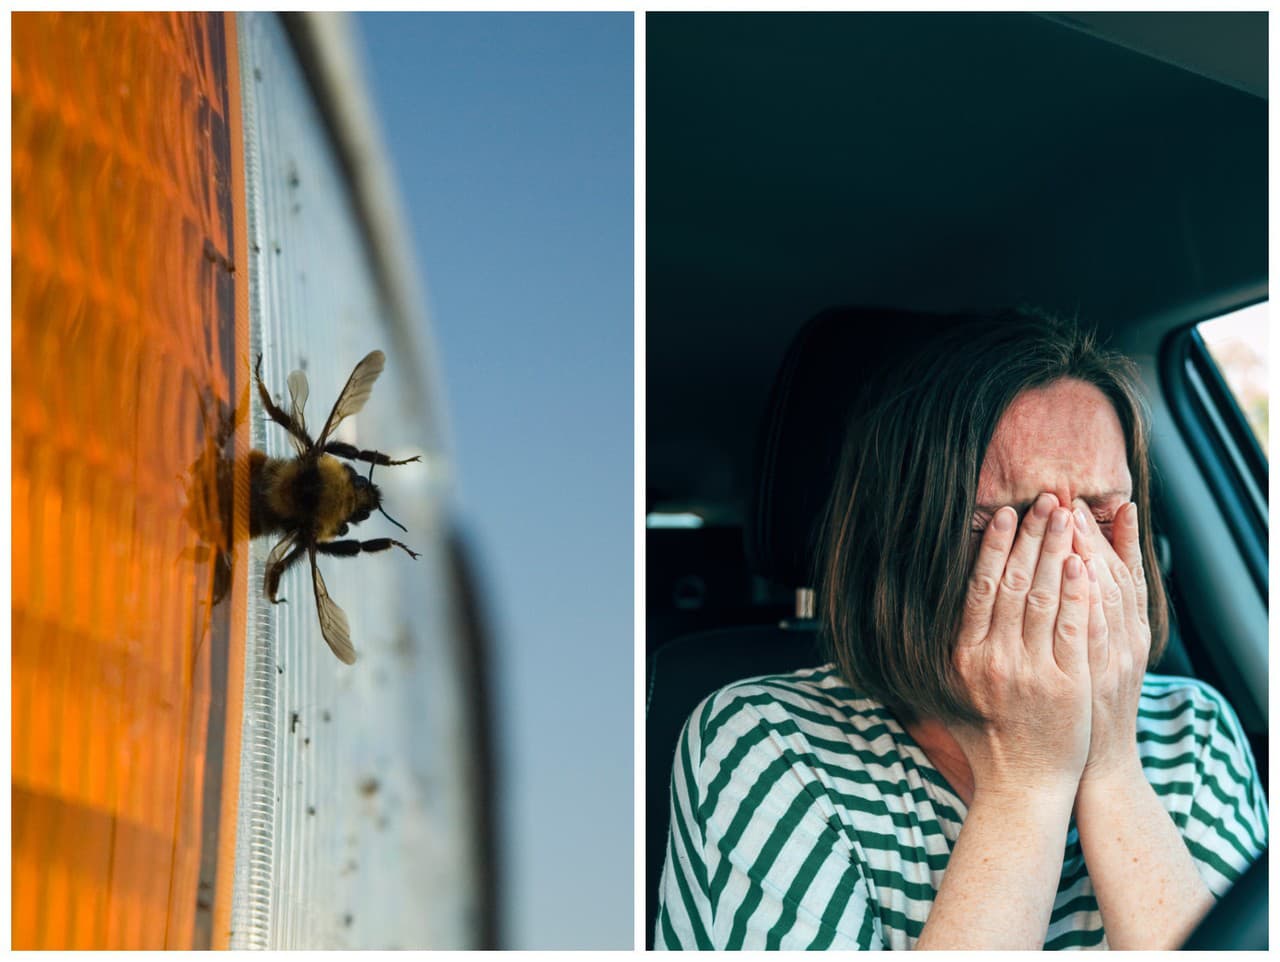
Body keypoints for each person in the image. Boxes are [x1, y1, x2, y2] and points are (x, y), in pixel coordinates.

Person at [654, 313, 1267, 950]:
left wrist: (1110, 765)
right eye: (1008, 522)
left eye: (1100, 515)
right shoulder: (765, 741)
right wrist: (1025, 782)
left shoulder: (1194, 734)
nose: (1070, 559)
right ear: (901, 544)